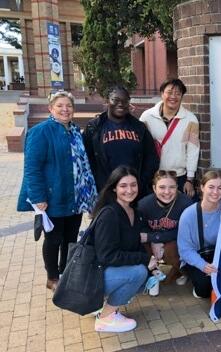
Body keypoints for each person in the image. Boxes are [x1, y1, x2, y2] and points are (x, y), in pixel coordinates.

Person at [17, 91, 97, 291]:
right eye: (60, 105)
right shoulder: (40, 132)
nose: (65, 109)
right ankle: (52, 277)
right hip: (54, 197)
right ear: (50, 109)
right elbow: (32, 167)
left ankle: (67, 271)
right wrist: (38, 197)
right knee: (53, 239)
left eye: (69, 106)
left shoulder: (75, 132)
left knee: (70, 238)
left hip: (76, 197)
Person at [91, 166, 158, 332]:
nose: (129, 190)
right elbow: (107, 256)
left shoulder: (133, 211)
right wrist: (144, 260)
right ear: (114, 187)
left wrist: (152, 262)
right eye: (123, 185)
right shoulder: (109, 214)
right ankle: (105, 318)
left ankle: (101, 306)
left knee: (143, 277)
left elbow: (135, 244)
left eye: (133, 185)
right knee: (138, 273)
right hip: (94, 276)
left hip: (108, 272)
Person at [83, 85, 159, 197]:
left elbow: (151, 158)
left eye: (125, 100)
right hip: (106, 191)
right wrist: (100, 184)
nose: (120, 104)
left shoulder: (139, 127)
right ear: (107, 101)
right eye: (116, 100)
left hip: (133, 190)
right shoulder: (94, 127)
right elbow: (87, 159)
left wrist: (140, 183)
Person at [140, 79, 200, 198]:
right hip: (153, 176)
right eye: (169, 92)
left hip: (179, 176)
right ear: (162, 94)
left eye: (178, 93)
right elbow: (140, 147)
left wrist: (190, 179)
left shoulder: (190, 119)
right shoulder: (147, 117)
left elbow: (193, 150)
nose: (173, 96)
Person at [137, 170, 193, 294]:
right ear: (154, 188)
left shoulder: (186, 204)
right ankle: (150, 273)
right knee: (140, 243)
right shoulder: (143, 205)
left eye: (172, 187)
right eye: (162, 187)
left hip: (174, 241)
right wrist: (153, 241)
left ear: (177, 188)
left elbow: (185, 232)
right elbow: (140, 229)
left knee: (172, 249)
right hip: (151, 241)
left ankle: (182, 271)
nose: (167, 192)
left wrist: (156, 238)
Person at [178, 171, 221, 298]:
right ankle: (194, 279)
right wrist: (203, 266)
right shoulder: (188, 215)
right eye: (211, 187)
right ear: (202, 188)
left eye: (219, 188)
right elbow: (185, 250)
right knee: (204, 289)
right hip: (196, 258)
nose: (215, 192)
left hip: (218, 256)